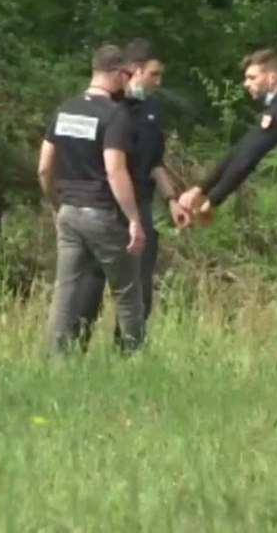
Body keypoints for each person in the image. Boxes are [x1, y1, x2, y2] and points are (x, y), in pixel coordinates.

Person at [178, 48, 277, 355]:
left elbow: (249, 158)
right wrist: (201, 189)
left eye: (252, 77)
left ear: (272, 76)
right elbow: (241, 149)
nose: (246, 84)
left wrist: (212, 200)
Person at [75, 39, 191, 348]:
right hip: (105, 203)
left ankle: (128, 351)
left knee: (140, 284)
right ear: (135, 69)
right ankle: (76, 347)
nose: (158, 81)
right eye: (154, 73)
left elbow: (154, 162)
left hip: (141, 203)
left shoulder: (150, 110)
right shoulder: (109, 106)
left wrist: (171, 200)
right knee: (92, 280)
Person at [37, 43, 147, 355]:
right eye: (126, 75)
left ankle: (56, 362)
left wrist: (56, 203)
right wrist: (134, 219)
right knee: (127, 291)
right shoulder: (114, 115)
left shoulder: (65, 109)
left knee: (66, 290)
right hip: (102, 211)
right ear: (115, 73)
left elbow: (44, 166)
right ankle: (134, 357)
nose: (128, 82)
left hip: (70, 211)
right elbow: (115, 170)